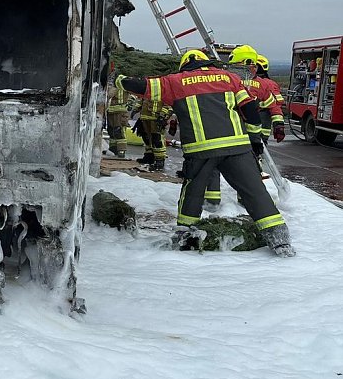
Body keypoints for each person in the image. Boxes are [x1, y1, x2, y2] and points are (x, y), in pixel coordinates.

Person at [116, 48, 295, 257]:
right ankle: (280, 241)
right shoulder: (230, 78)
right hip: (237, 147)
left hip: (201, 151)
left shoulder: (175, 81)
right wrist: (255, 138)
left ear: (185, 65)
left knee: (192, 193)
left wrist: (118, 79)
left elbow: (140, 86)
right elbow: (250, 109)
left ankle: (184, 235)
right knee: (256, 192)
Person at [205, 45, 285, 204]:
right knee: (250, 166)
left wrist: (277, 124)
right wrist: (278, 125)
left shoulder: (225, 80)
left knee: (213, 161)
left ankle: (213, 200)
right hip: (251, 134)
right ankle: (244, 198)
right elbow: (273, 105)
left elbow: (272, 106)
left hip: (229, 131)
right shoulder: (262, 85)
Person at [133, 98, 171, 171]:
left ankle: (160, 160)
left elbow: (168, 103)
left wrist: (162, 115)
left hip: (156, 118)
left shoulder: (163, 88)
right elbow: (143, 99)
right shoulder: (148, 88)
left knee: (156, 139)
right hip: (145, 116)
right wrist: (137, 108)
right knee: (146, 138)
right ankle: (149, 156)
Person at [256, 54, 286, 142]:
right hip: (261, 127)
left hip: (258, 126)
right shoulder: (270, 83)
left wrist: (279, 124)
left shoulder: (267, 84)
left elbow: (275, 105)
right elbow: (277, 104)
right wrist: (279, 125)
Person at [105, 78, 133, 158]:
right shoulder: (112, 86)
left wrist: (130, 105)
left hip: (120, 112)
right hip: (111, 111)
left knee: (119, 131)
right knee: (111, 131)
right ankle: (113, 149)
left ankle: (121, 150)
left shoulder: (124, 86)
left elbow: (109, 95)